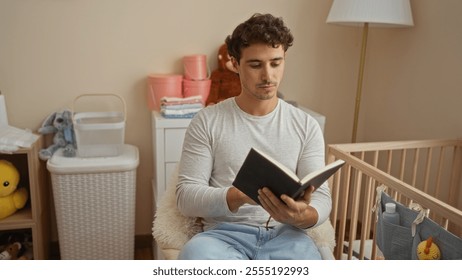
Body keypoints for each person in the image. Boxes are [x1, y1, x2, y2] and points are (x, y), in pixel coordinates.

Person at [176, 13, 330, 260]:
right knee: (193, 256)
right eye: (256, 65)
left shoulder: (306, 125)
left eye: (276, 63)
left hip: (287, 236)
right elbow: (186, 197)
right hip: (222, 238)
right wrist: (239, 195)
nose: (268, 76)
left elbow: (321, 199)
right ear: (235, 64)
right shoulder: (206, 121)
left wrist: (302, 216)